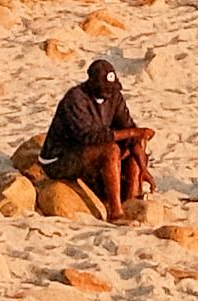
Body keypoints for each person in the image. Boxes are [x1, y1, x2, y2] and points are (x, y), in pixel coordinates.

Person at [37, 55, 152, 223]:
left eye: (111, 89)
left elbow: (129, 129)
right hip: (59, 158)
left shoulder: (114, 96)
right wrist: (131, 133)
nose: (108, 93)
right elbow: (88, 136)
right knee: (111, 149)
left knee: (136, 143)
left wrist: (142, 167)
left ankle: (130, 201)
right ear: (90, 82)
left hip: (91, 150)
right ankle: (116, 212)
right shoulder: (75, 99)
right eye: (104, 89)